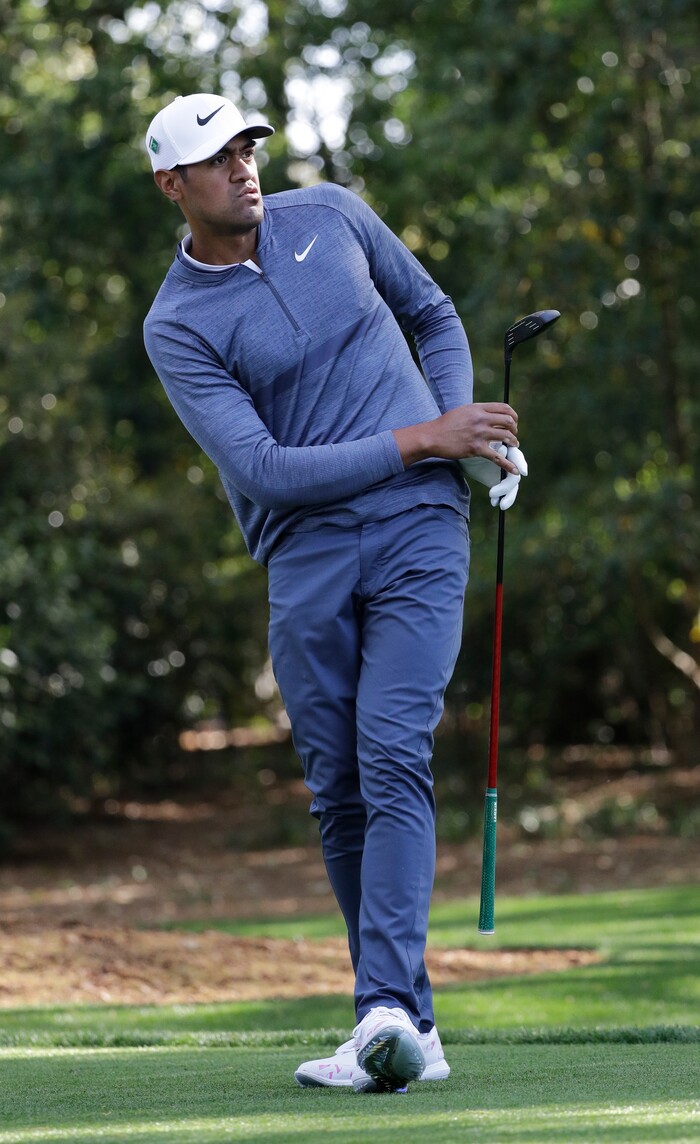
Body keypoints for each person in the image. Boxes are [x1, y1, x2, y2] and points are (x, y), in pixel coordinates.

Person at [143, 93, 525, 1093]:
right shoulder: (178, 323)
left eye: (247, 148)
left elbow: (432, 313)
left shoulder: (335, 216)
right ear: (172, 185)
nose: (243, 168)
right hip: (304, 552)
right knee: (338, 791)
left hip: (417, 528)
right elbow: (264, 468)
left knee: (392, 747)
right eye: (216, 158)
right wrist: (424, 437)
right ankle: (415, 1026)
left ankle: (380, 1011)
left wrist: (462, 434)